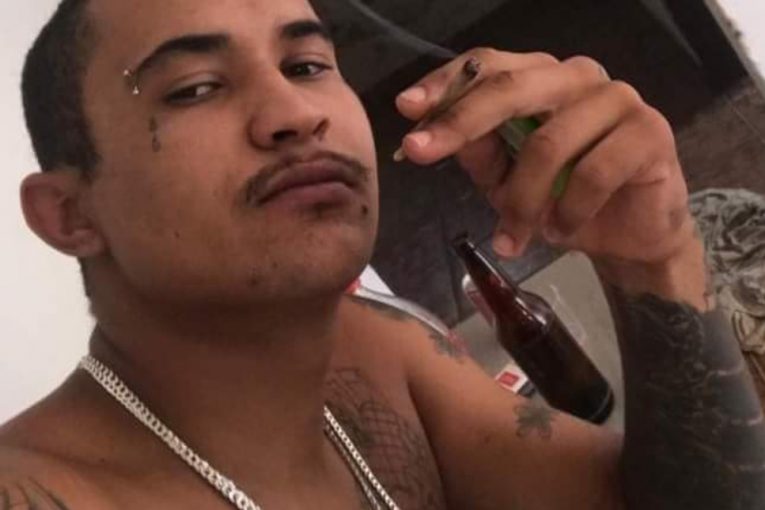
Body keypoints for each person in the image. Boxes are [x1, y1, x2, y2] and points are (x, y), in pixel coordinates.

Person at [2, 0, 764, 508]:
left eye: (305, 66)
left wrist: (652, 256)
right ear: (70, 214)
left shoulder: (382, 351)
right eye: (196, 88)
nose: (296, 113)